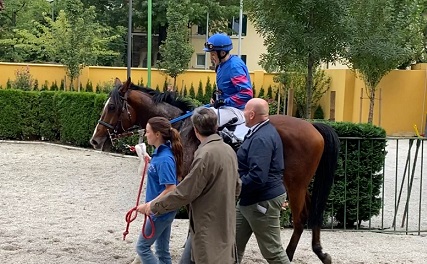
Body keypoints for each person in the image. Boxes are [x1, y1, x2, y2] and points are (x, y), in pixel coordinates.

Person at [138, 107, 242, 264]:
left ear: (195, 130)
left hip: (205, 223)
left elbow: (185, 193)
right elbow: (237, 187)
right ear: (215, 126)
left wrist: (153, 206)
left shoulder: (204, 154)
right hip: (220, 220)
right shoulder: (228, 150)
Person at [235, 98, 290, 264]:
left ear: (251, 114)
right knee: (232, 245)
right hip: (250, 200)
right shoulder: (262, 132)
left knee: (273, 252)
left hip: (260, 201)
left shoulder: (261, 138)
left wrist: (234, 187)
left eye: (245, 110)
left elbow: (258, 176)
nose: (243, 113)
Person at [134, 116, 183, 264]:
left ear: (157, 134)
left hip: (159, 211)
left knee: (142, 247)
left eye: (148, 132)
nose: (145, 134)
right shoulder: (161, 154)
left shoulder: (164, 159)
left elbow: (171, 188)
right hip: (163, 210)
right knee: (162, 251)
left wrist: (149, 205)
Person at [203, 33, 253, 127]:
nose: (211, 58)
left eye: (213, 54)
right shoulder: (221, 65)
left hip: (239, 110)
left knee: (205, 120)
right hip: (227, 108)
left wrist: (224, 101)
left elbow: (246, 93)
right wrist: (216, 98)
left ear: (222, 53)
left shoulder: (234, 67)